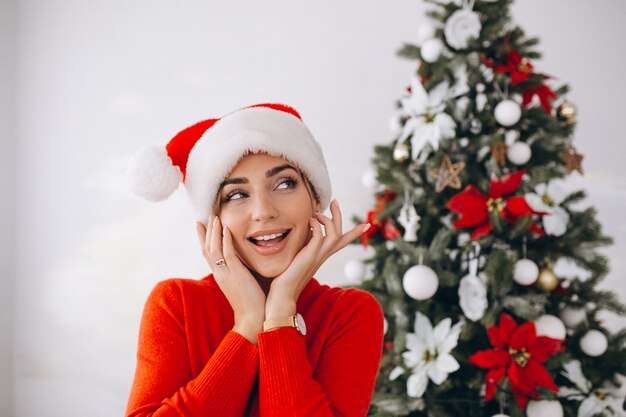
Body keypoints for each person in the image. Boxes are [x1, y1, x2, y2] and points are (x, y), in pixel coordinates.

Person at [125, 103, 384, 417]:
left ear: (315, 199)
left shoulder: (349, 314)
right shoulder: (176, 304)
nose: (264, 211)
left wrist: (281, 312)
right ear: (212, 221)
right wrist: (247, 324)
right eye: (236, 195)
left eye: (284, 184)